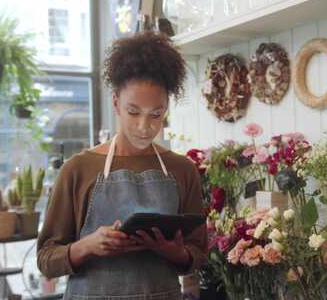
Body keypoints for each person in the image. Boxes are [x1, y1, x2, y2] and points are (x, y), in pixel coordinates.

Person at [37, 31, 207, 300]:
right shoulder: (77, 169)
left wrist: (173, 252)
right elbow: (46, 259)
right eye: (133, 112)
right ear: (116, 103)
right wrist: (88, 246)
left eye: (156, 114)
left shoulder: (182, 170)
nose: (144, 126)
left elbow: (198, 252)